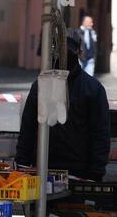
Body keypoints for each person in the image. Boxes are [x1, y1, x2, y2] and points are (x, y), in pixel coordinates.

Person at [16, 30, 110, 182]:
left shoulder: (93, 89)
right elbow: (28, 127)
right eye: (59, 51)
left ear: (78, 52)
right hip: (43, 167)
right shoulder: (41, 85)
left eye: (68, 51)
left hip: (79, 171)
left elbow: (100, 133)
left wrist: (96, 171)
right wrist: (22, 162)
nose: (63, 57)